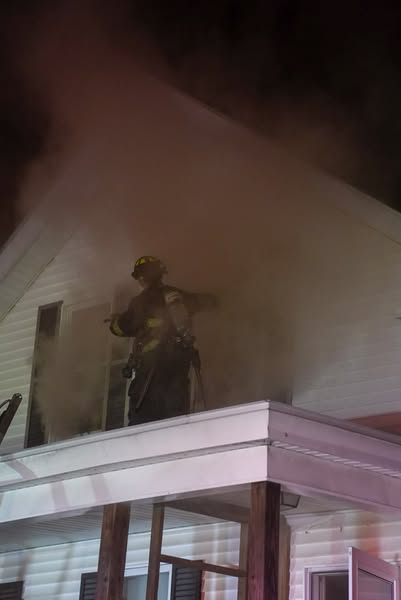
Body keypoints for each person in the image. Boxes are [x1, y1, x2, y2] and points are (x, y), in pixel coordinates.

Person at [109, 256, 217, 425]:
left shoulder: (141, 301)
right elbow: (208, 302)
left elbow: (122, 327)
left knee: (142, 417)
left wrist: (115, 321)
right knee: (175, 414)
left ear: (142, 278)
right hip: (179, 363)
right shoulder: (178, 295)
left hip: (151, 366)